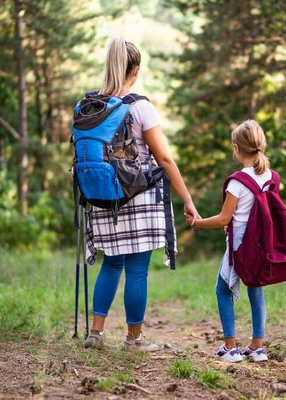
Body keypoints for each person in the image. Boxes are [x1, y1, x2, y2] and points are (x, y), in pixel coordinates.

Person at [83, 36, 200, 351]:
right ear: (134, 70)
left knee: (111, 263)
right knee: (136, 269)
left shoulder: (90, 105)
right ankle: (134, 339)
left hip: (102, 197)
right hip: (139, 196)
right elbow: (164, 159)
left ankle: (95, 333)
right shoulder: (140, 106)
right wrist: (188, 199)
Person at [186, 120, 271, 362]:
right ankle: (257, 347)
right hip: (261, 242)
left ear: (237, 148)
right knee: (256, 290)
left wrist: (197, 223)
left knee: (222, 290)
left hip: (240, 244)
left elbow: (225, 217)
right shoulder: (270, 176)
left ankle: (231, 348)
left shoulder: (237, 182)